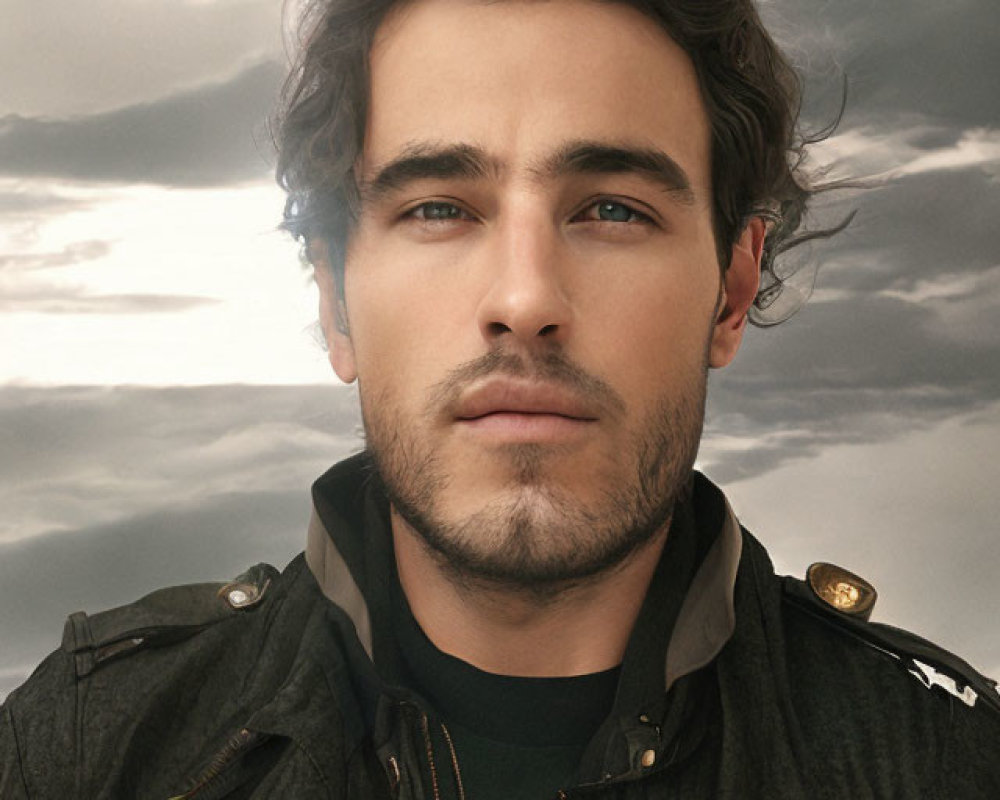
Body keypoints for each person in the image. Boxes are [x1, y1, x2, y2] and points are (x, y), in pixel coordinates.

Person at [3, 0, 998, 797]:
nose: (524, 299)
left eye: (612, 208)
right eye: (438, 207)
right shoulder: (85, 752)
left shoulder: (948, 763)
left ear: (731, 291)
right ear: (335, 299)